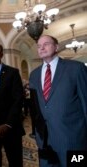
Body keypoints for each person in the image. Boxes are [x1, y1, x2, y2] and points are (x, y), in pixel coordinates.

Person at [29, 35, 87, 167]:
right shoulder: (34, 75)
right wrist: (38, 136)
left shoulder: (76, 68)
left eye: (46, 44)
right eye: (39, 46)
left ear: (56, 47)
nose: (42, 48)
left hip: (73, 140)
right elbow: (36, 108)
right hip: (45, 141)